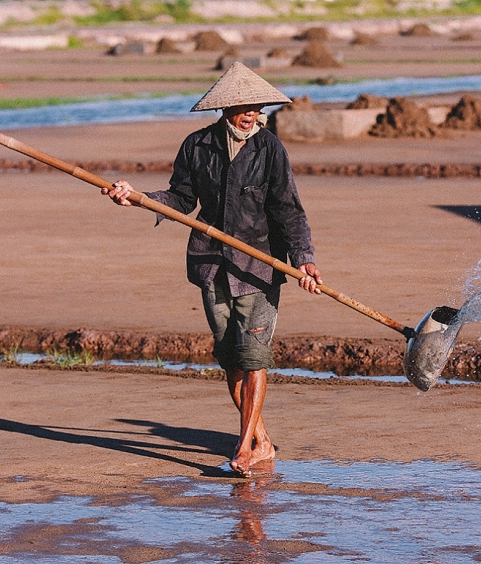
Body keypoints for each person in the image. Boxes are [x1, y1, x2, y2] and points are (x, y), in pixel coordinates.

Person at [102, 62, 323, 477]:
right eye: (242, 106)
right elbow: (181, 198)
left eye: (256, 106)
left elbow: (288, 209)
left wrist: (305, 259)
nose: (250, 113)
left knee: (253, 357)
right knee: (230, 360)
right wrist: (136, 197)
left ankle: (245, 450)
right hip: (211, 264)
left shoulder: (270, 149)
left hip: (259, 264)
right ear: (224, 108)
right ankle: (262, 439)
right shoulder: (197, 146)